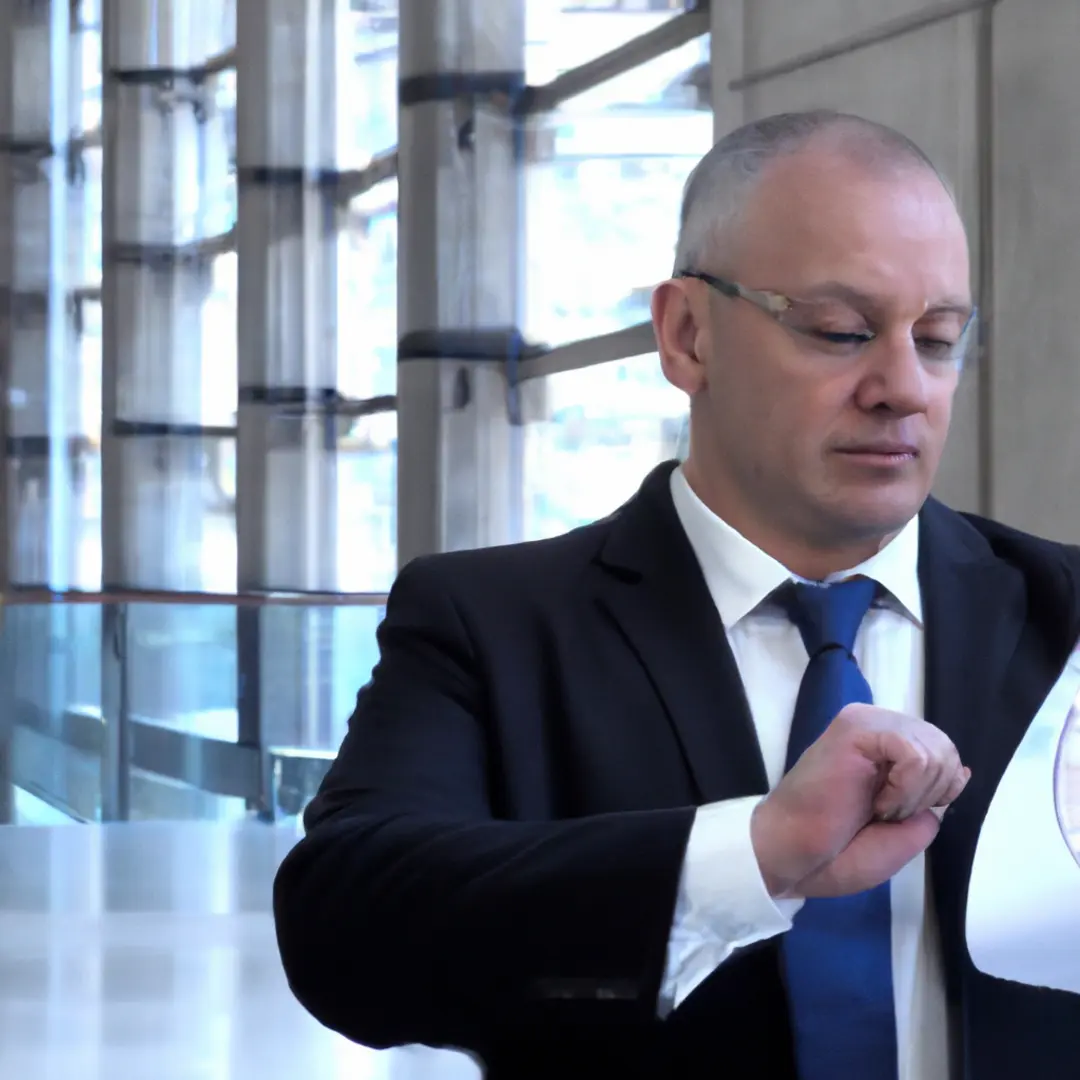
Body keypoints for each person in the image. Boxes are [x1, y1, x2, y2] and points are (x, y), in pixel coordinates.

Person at [273, 110, 1080, 1079]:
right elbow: (348, 937)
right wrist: (753, 856)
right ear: (688, 335)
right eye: (840, 331)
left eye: (939, 339)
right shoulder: (492, 624)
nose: (902, 387)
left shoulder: (1066, 612)